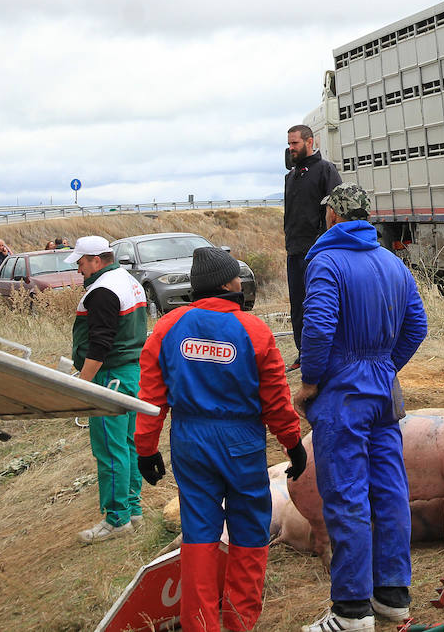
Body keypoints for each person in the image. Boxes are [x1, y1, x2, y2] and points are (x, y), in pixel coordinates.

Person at [136, 246, 306, 632]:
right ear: (228, 284)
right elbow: (275, 399)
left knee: (199, 532)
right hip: (241, 441)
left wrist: (146, 449)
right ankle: (239, 621)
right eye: (237, 279)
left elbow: (150, 396)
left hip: (190, 440)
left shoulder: (167, 328)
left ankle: (200, 625)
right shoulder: (254, 330)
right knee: (249, 528)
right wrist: (292, 443)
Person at [292, 184, 428, 632]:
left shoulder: (326, 261)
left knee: (346, 493)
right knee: (390, 490)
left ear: (332, 215)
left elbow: (318, 328)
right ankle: (392, 597)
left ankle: (351, 611)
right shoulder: (391, 261)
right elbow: (417, 325)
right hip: (384, 391)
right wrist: (386, 366)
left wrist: (311, 381)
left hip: (343, 393)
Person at [66, 235, 149, 542]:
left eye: (81, 263)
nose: (79, 270)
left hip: (111, 375)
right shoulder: (127, 280)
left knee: (111, 449)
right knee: (127, 444)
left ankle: (117, 519)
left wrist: (83, 382)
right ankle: (132, 509)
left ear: (96, 260)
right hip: (131, 372)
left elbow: (100, 344)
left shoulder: (102, 290)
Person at [284, 124, 342, 366]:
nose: (291, 148)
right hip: (294, 251)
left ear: (310, 142)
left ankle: (330, 353)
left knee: (320, 304)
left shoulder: (326, 170)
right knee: (298, 306)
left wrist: (327, 245)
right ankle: (304, 354)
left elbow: (337, 210)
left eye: (295, 143)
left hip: (319, 253)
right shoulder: (290, 177)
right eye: (289, 143)